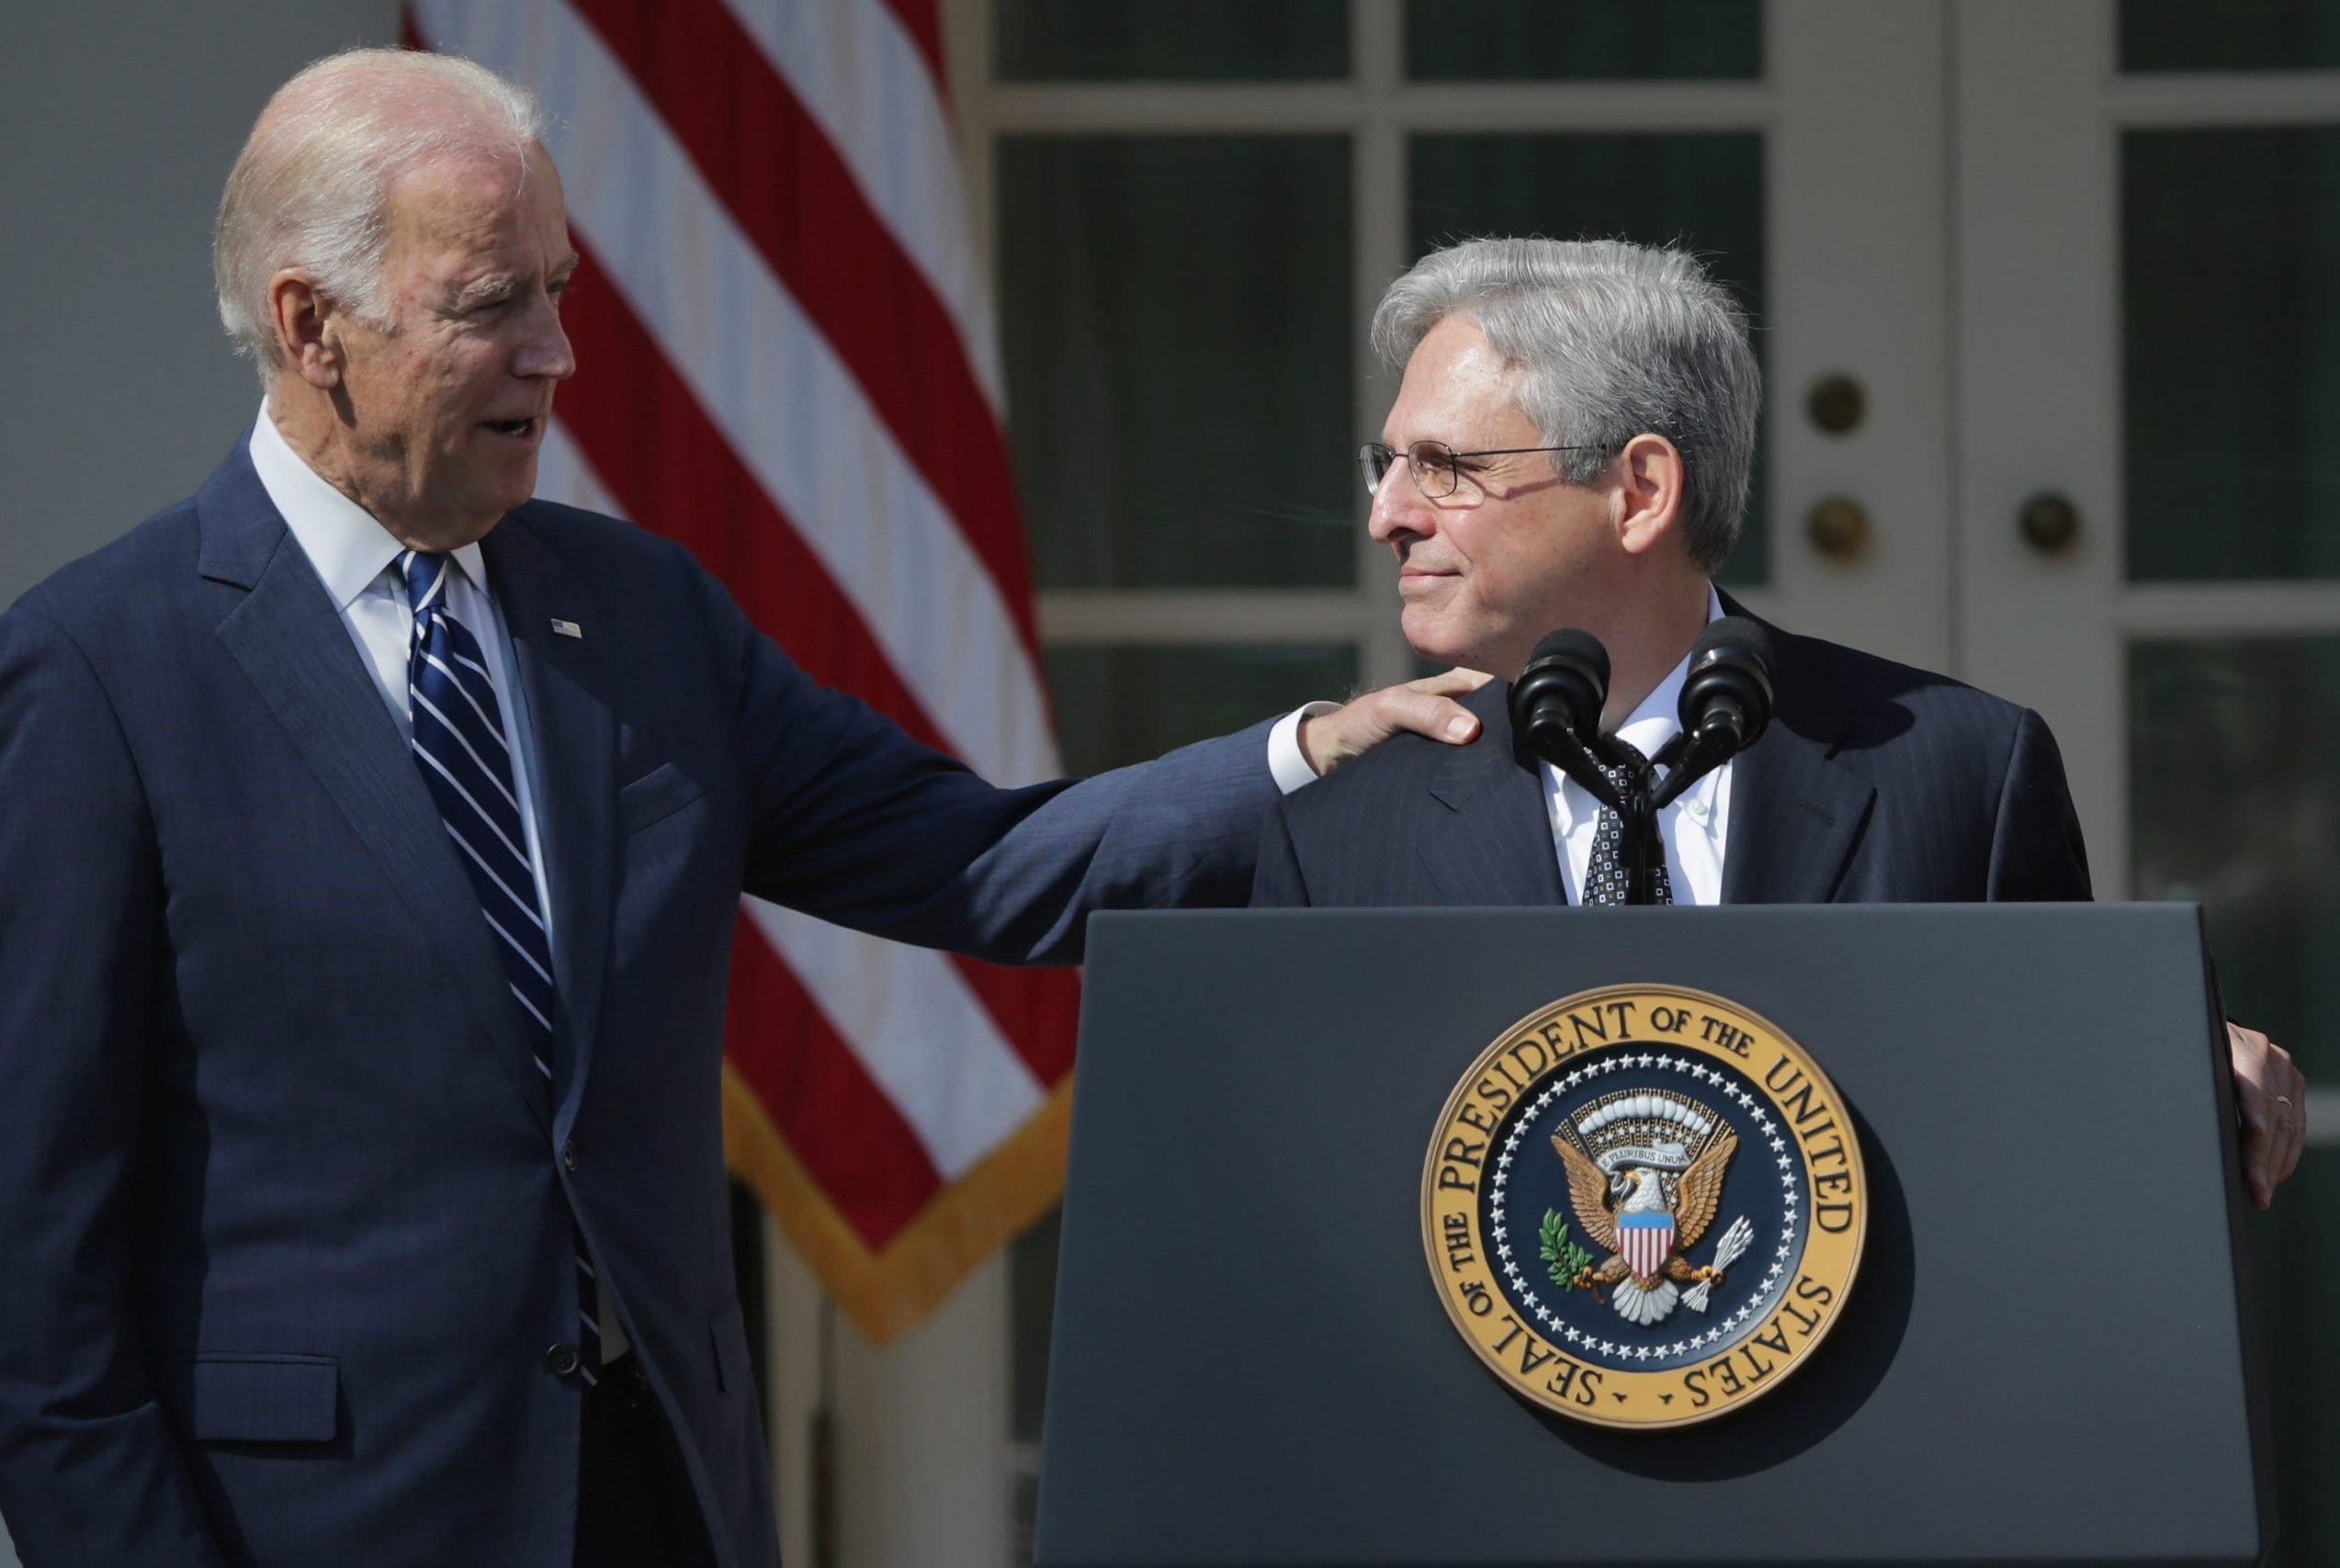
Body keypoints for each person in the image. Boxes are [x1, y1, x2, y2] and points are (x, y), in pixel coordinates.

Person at [0, 50, 1479, 1568]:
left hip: (662, 1501)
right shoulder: (103, 670)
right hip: (323, 1522)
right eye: (491, 303)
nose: (556, 352)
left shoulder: (638, 615)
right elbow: (36, 1275)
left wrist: (1302, 758)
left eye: (558, 289)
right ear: (315, 326)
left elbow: (978, 859)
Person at [1252, 235, 2305, 1206]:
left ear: (1640, 492)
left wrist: (2167, 1067)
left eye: (1444, 467)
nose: (1390, 514)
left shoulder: (1957, 770)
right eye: (1386, 465)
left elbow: (2043, 1106)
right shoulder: (1341, 827)